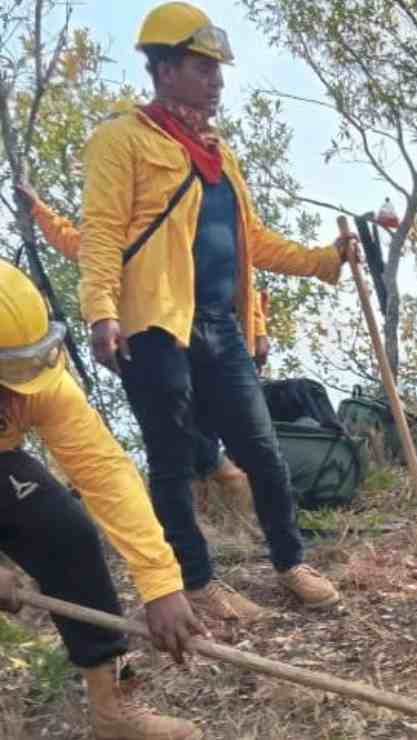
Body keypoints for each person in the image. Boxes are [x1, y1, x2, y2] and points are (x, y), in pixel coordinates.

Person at [77, 1, 354, 622]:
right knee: (173, 460)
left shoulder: (219, 156)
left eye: (218, 70)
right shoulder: (121, 140)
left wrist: (324, 259)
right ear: (165, 68)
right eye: (203, 68)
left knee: (261, 448)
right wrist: (101, 310)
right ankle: (198, 582)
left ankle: (290, 562)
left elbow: (251, 240)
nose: (218, 81)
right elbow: (98, 235)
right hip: (153, 328)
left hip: (221, 326)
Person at [0, 260, 205, 740]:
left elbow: (104, 470)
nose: (16, 397)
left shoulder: (40, 376)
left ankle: (111, 710)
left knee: (67, 534)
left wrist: (160, 582)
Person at [14, 181, 255, 499]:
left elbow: (238, 270)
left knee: (186, 417)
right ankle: (214, 494)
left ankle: (228, 484)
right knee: (168, 419)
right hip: (139, 338)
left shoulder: (179, 223)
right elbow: (78, 244)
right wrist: (39, 210)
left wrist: (258, 329)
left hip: (188, 333)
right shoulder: (112, 234)